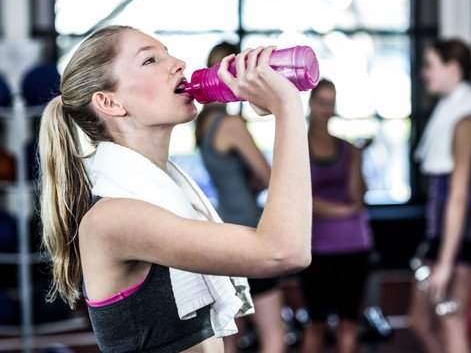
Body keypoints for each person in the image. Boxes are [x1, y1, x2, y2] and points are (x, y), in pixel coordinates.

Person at [38, 25, 312, 353]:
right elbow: (284, 250)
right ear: (109, 102)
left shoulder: (172, 197)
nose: (179, 63)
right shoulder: (113, 218)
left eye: (168, 52)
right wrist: (288, 108)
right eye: (150, 60)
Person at [195, 42, 286, 353]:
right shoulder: (231, 124)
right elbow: (269, 174)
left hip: (222, 231)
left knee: (230, 335)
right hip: (248, 231)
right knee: (274, 333)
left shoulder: (203, 124)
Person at [409, 38, 471, 353]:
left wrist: (445, 263)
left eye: (430, 65)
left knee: (451, 322)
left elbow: (458, 198)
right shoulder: (452, 116)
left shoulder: (464, 124)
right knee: (419, 321)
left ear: (453, 68)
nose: (424, 73)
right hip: (443, 235)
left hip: (461, 238)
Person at [300, 79, 374, 353]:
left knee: (348, 324)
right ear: (310, 104)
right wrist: (343, 211)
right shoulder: (296, 147)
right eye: (321, 102)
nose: (326, 109)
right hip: (316, 246)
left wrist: (357, 159)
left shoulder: (347, 149)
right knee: (316, 323)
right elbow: (301, 200)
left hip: (354, 244)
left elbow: (358, 198)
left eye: (331, 104)